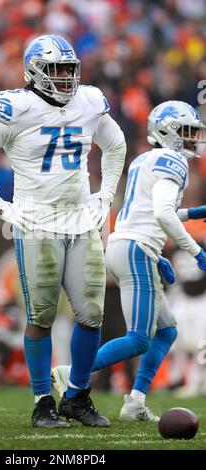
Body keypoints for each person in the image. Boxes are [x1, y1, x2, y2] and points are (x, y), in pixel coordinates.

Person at [0, 34, 126, 428]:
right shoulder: (18, 106)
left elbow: (115, 145)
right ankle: (41, 402)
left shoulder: (89, 101)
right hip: (37, 222)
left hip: (81, 219)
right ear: (34, 71)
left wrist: (106, 194)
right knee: (42, 315)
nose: (65, 77)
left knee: (91, 314)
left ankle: (77, 396)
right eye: (56, 69)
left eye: (69, 69)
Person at [52, 100, 206, 422]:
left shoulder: (145, 160)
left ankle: (135, 401)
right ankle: (74, 372)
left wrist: (192, 214)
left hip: (126, 246)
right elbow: (162, 214)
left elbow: (152, 212)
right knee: (139, 338)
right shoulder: (173, 160)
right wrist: (195, 250)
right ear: (168, 132)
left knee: (166, 331)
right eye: (189, 132)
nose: (194, 139)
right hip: (137, 249)